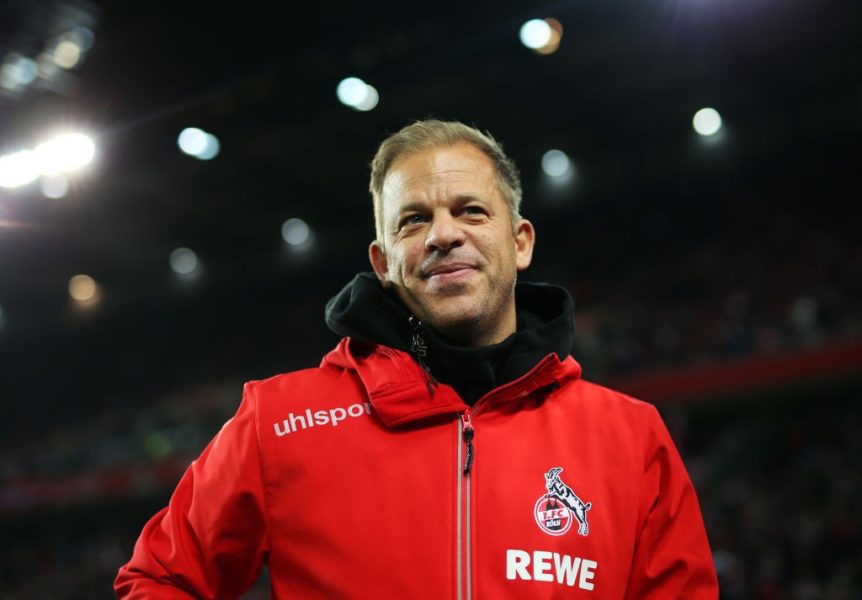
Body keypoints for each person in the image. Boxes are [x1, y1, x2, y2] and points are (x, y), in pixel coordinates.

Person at [116, 120, 718, 598]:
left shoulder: (630, 436)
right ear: (383, 263)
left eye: (471, 210)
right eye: (414, 220)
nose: (443, 234)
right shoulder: (277, 421)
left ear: (520, 241)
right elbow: (161, 579)